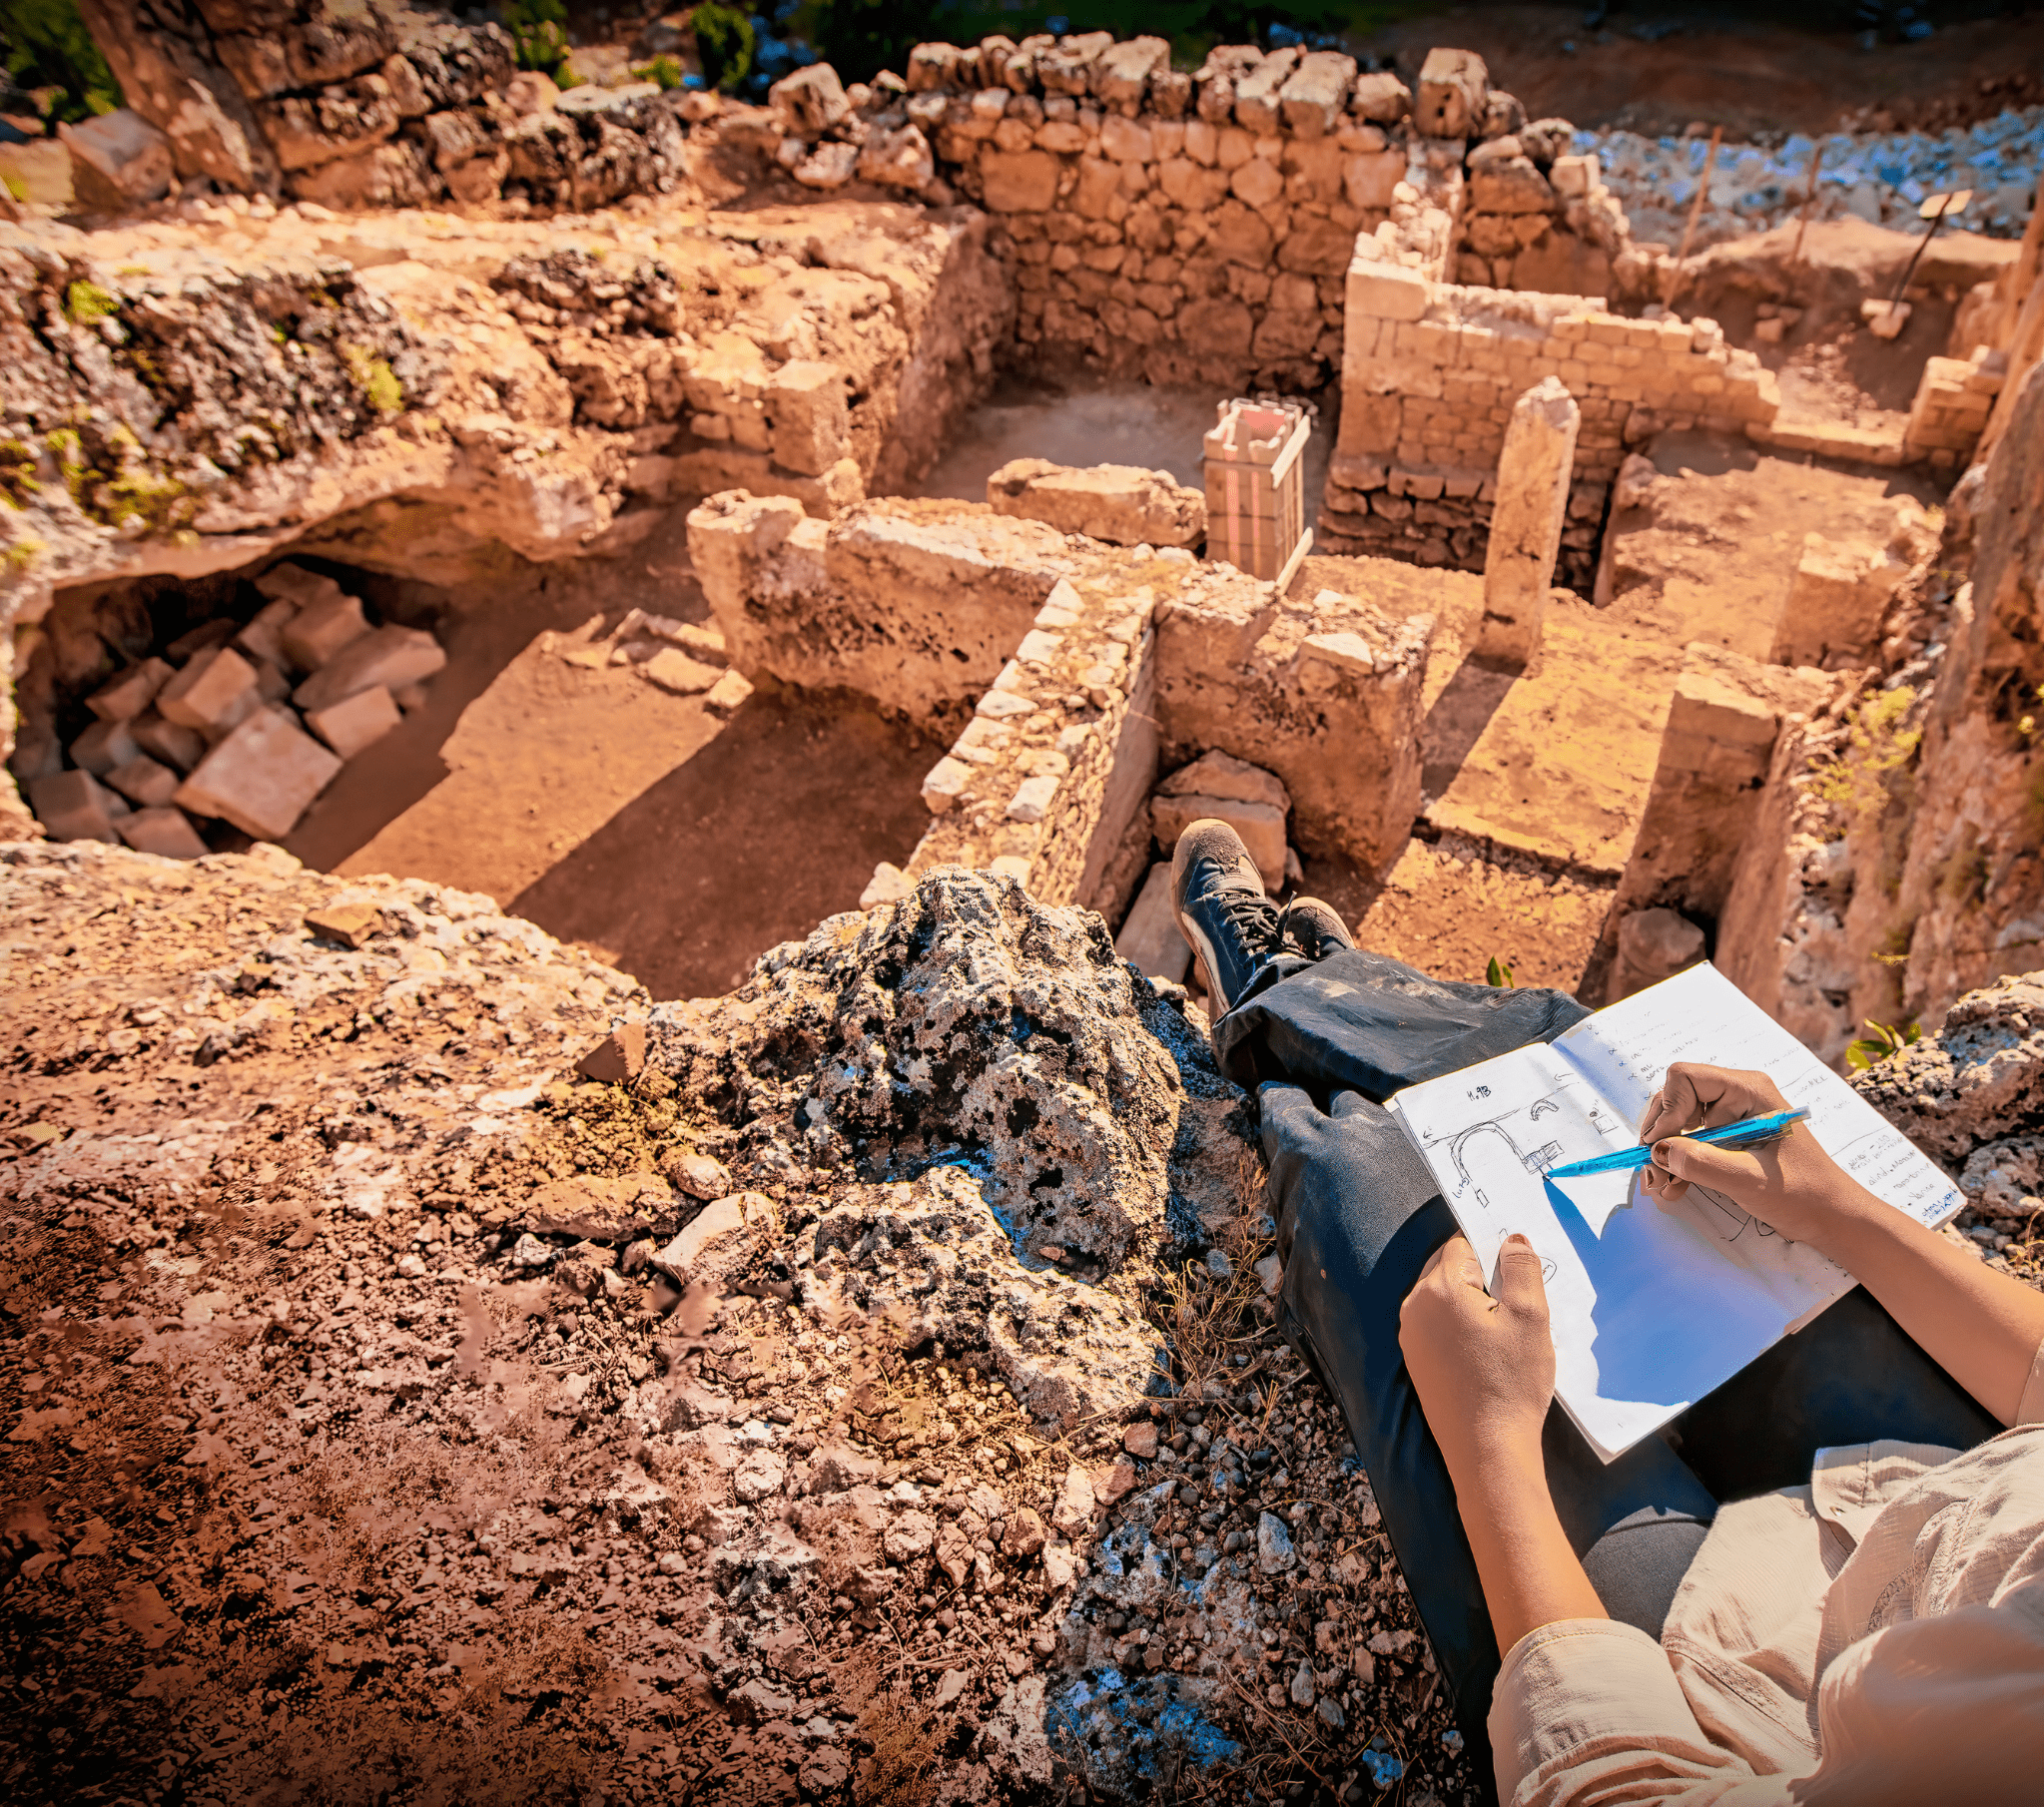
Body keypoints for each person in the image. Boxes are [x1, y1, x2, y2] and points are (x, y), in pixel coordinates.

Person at [1168, 820, 2044, 1804]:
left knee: (1364, 1191)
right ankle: (1329, 978)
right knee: (1572, 1054)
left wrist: (1491, 1444)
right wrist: (1835, 1206)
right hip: (1957, 1495)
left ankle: (1274, 996)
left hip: (1753, 1719)